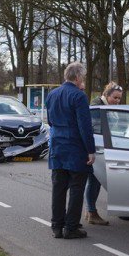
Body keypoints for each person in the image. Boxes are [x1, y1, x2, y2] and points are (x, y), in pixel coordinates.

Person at [45, 61, 96, 239]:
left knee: (58, 188)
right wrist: (91, 150)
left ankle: (57, 226)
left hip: (57, 146)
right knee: (76, 188)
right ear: (78, 77)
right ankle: (71, 227)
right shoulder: (79, 96)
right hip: (75, 147)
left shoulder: (52, 94)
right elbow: (85, 126)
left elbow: (50, 121)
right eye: (83, 77)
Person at [84, 81, 123, 226]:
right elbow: (96, 128)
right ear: (107, 95)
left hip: (100, 147)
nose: (117, 101)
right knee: (95, 180)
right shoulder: (97, 106)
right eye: (115, 98)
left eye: (119, 98)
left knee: (94, 180)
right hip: (94, 148)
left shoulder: (106, 106)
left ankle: (89, 211)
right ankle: (91, 212)